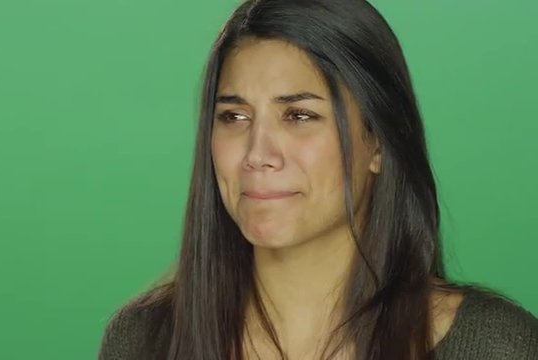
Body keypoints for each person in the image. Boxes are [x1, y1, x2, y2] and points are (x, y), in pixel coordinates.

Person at [98, 0, 538, 359]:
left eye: (299, 115)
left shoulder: (495, 346)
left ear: (379, 143)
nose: (257, 154)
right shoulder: (141, 340)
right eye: (234, 116)